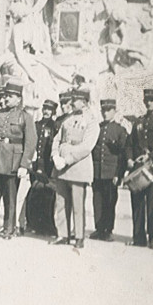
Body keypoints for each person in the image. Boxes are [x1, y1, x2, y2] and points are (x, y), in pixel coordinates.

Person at [0, 82, 36, 240]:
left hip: (13, 161)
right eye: (6, 96)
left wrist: (24, 164)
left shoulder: (25, 117)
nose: (7, 99)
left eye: (11, 96)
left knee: (10, 197)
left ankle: (9, 228)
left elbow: (30, 143)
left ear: (19, 99)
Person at [49, 87, 100, 249]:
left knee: (78, 205)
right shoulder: (68, 119)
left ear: (84, 101)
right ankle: (63, 234)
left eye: (75, 100)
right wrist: (55, 155)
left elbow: (86, 147)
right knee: (61, 202)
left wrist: (68, 159)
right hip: (61, 167)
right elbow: (57, 139)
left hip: (78, 168)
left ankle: (79, 236)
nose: (72, 103)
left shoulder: (91, 121)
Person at [125, 88, 153, 250]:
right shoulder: (139, 121)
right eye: (146, 100)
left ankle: (152, 238)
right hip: (139, 168)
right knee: (137, 202)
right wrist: (129, 159)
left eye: (152, 100)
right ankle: (138, 237)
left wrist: (150, 156)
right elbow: (130, 144)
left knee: (152, 202)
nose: (149, 103)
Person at [90, 99, 128, 242]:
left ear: (114, 111)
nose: (105, 113)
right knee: (97, 200)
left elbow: (123, 155)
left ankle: (108, 230)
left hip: (111, 173)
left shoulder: (119, 130)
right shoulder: (97, 128)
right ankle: (98, 228)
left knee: (110, 201)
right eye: (103, 110)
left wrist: (119, 174)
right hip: (97, 172)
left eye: (108, 110)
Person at [27, 99, 58, 235]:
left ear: (53, 112)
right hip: (35, 164)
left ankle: (47, 226)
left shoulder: (55, 127)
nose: (46, 111)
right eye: (44, 109)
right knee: (35, 195)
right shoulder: (36, 125)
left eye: (49, 110)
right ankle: (33, 223)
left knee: (47, 196)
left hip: (48, 166)